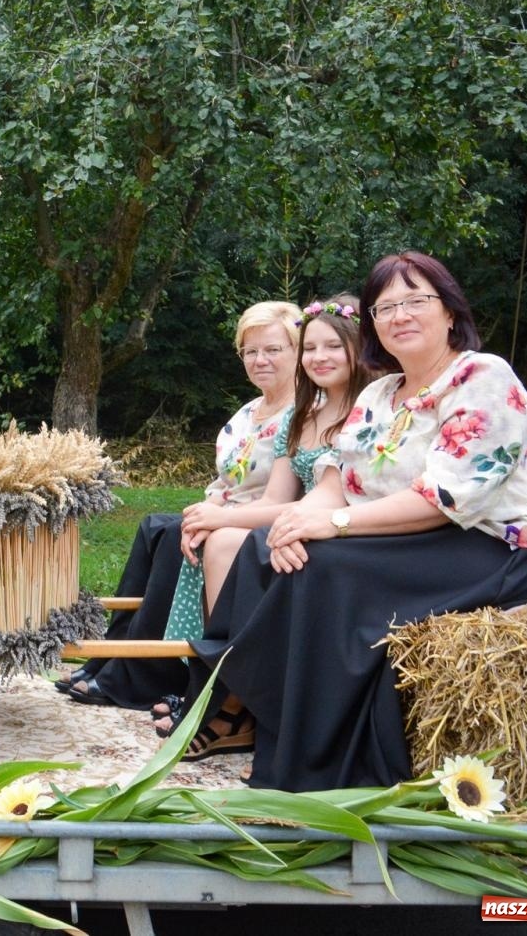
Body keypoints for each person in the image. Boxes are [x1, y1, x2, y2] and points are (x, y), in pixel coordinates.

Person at [181, 252, 527, 790]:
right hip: (406, 539)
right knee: (260, 547)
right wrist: (296, 523)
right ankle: (254, 713)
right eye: (385, 307)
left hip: (493, 549)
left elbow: (442, 498)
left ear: (451, 312)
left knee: (324, 569)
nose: (400, 315)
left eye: (416, 301)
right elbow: (337, 479)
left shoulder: (480, 377)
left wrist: (334, 526)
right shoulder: (379, 394)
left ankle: (323, 760)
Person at [151, 294, 372, 738]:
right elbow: (279, 495)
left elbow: (339, 498)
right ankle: (230, 692)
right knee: (214, 539)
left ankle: (233, 703)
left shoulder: (369, 407)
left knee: (227, 539)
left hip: (351, 522)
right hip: (299, 515)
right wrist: (217, 517)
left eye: (331, 347)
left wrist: (223, 519)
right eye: (311, 348)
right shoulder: (305, 414)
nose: (318, 357)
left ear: (358, 348)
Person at [63, 300, 300, 709]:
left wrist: (212, 519)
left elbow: (285, 496)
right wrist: (203, 512)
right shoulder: (249, 412)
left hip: (257, 522)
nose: (260, 360)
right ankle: (110, 657)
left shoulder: (301, 416)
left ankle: (140, 676)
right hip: (224, 511)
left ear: (298, 352)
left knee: (175, 534)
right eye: (250, 351)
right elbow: (223, 482)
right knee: (155, 525)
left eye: (273, 350)